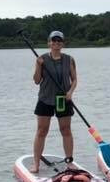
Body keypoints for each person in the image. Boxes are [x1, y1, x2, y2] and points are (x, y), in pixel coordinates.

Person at [30, 30, 77, 173]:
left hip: (63, 99)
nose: (56, 43)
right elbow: (37, 81)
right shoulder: (42, 59)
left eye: (59, 41)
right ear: (49, 43)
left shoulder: (69, 59)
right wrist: (39, 66)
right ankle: (36, 163)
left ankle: (69, 161)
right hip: (45, 98)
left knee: (66, 130)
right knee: (41, 131)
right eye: (53, 41)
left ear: (63, 43)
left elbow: (74, 80)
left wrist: (70, 92)